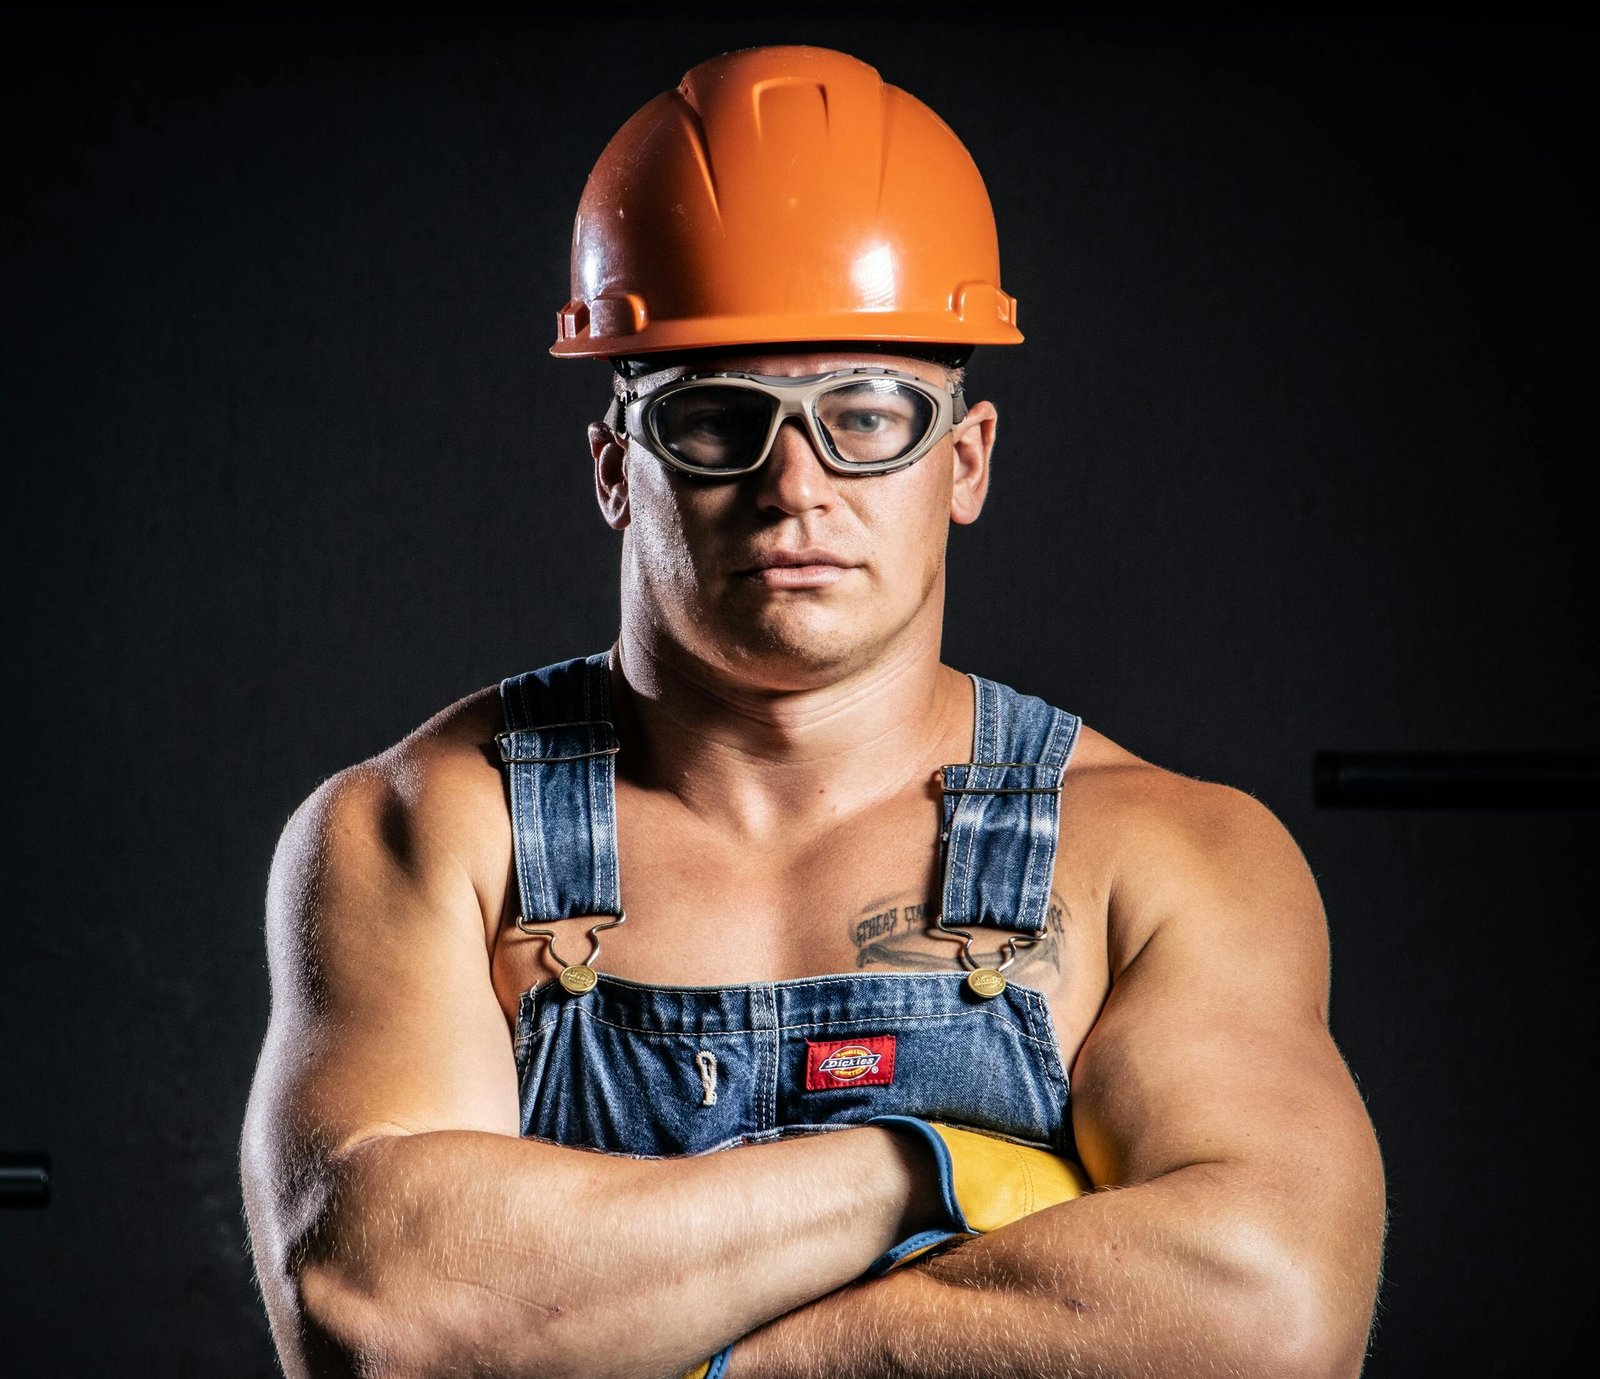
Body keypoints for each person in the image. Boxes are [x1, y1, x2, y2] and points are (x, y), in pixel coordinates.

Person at [241, 44, 1385, 1379]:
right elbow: (385, 1315)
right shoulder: (425, 832)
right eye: (719, 421)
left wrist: (701, 1358)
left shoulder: (1167, 859)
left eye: (867, 415)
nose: (796, 486)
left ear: (964, 462)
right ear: (619, 467)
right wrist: (922, 1174)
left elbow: (1266, 1313)